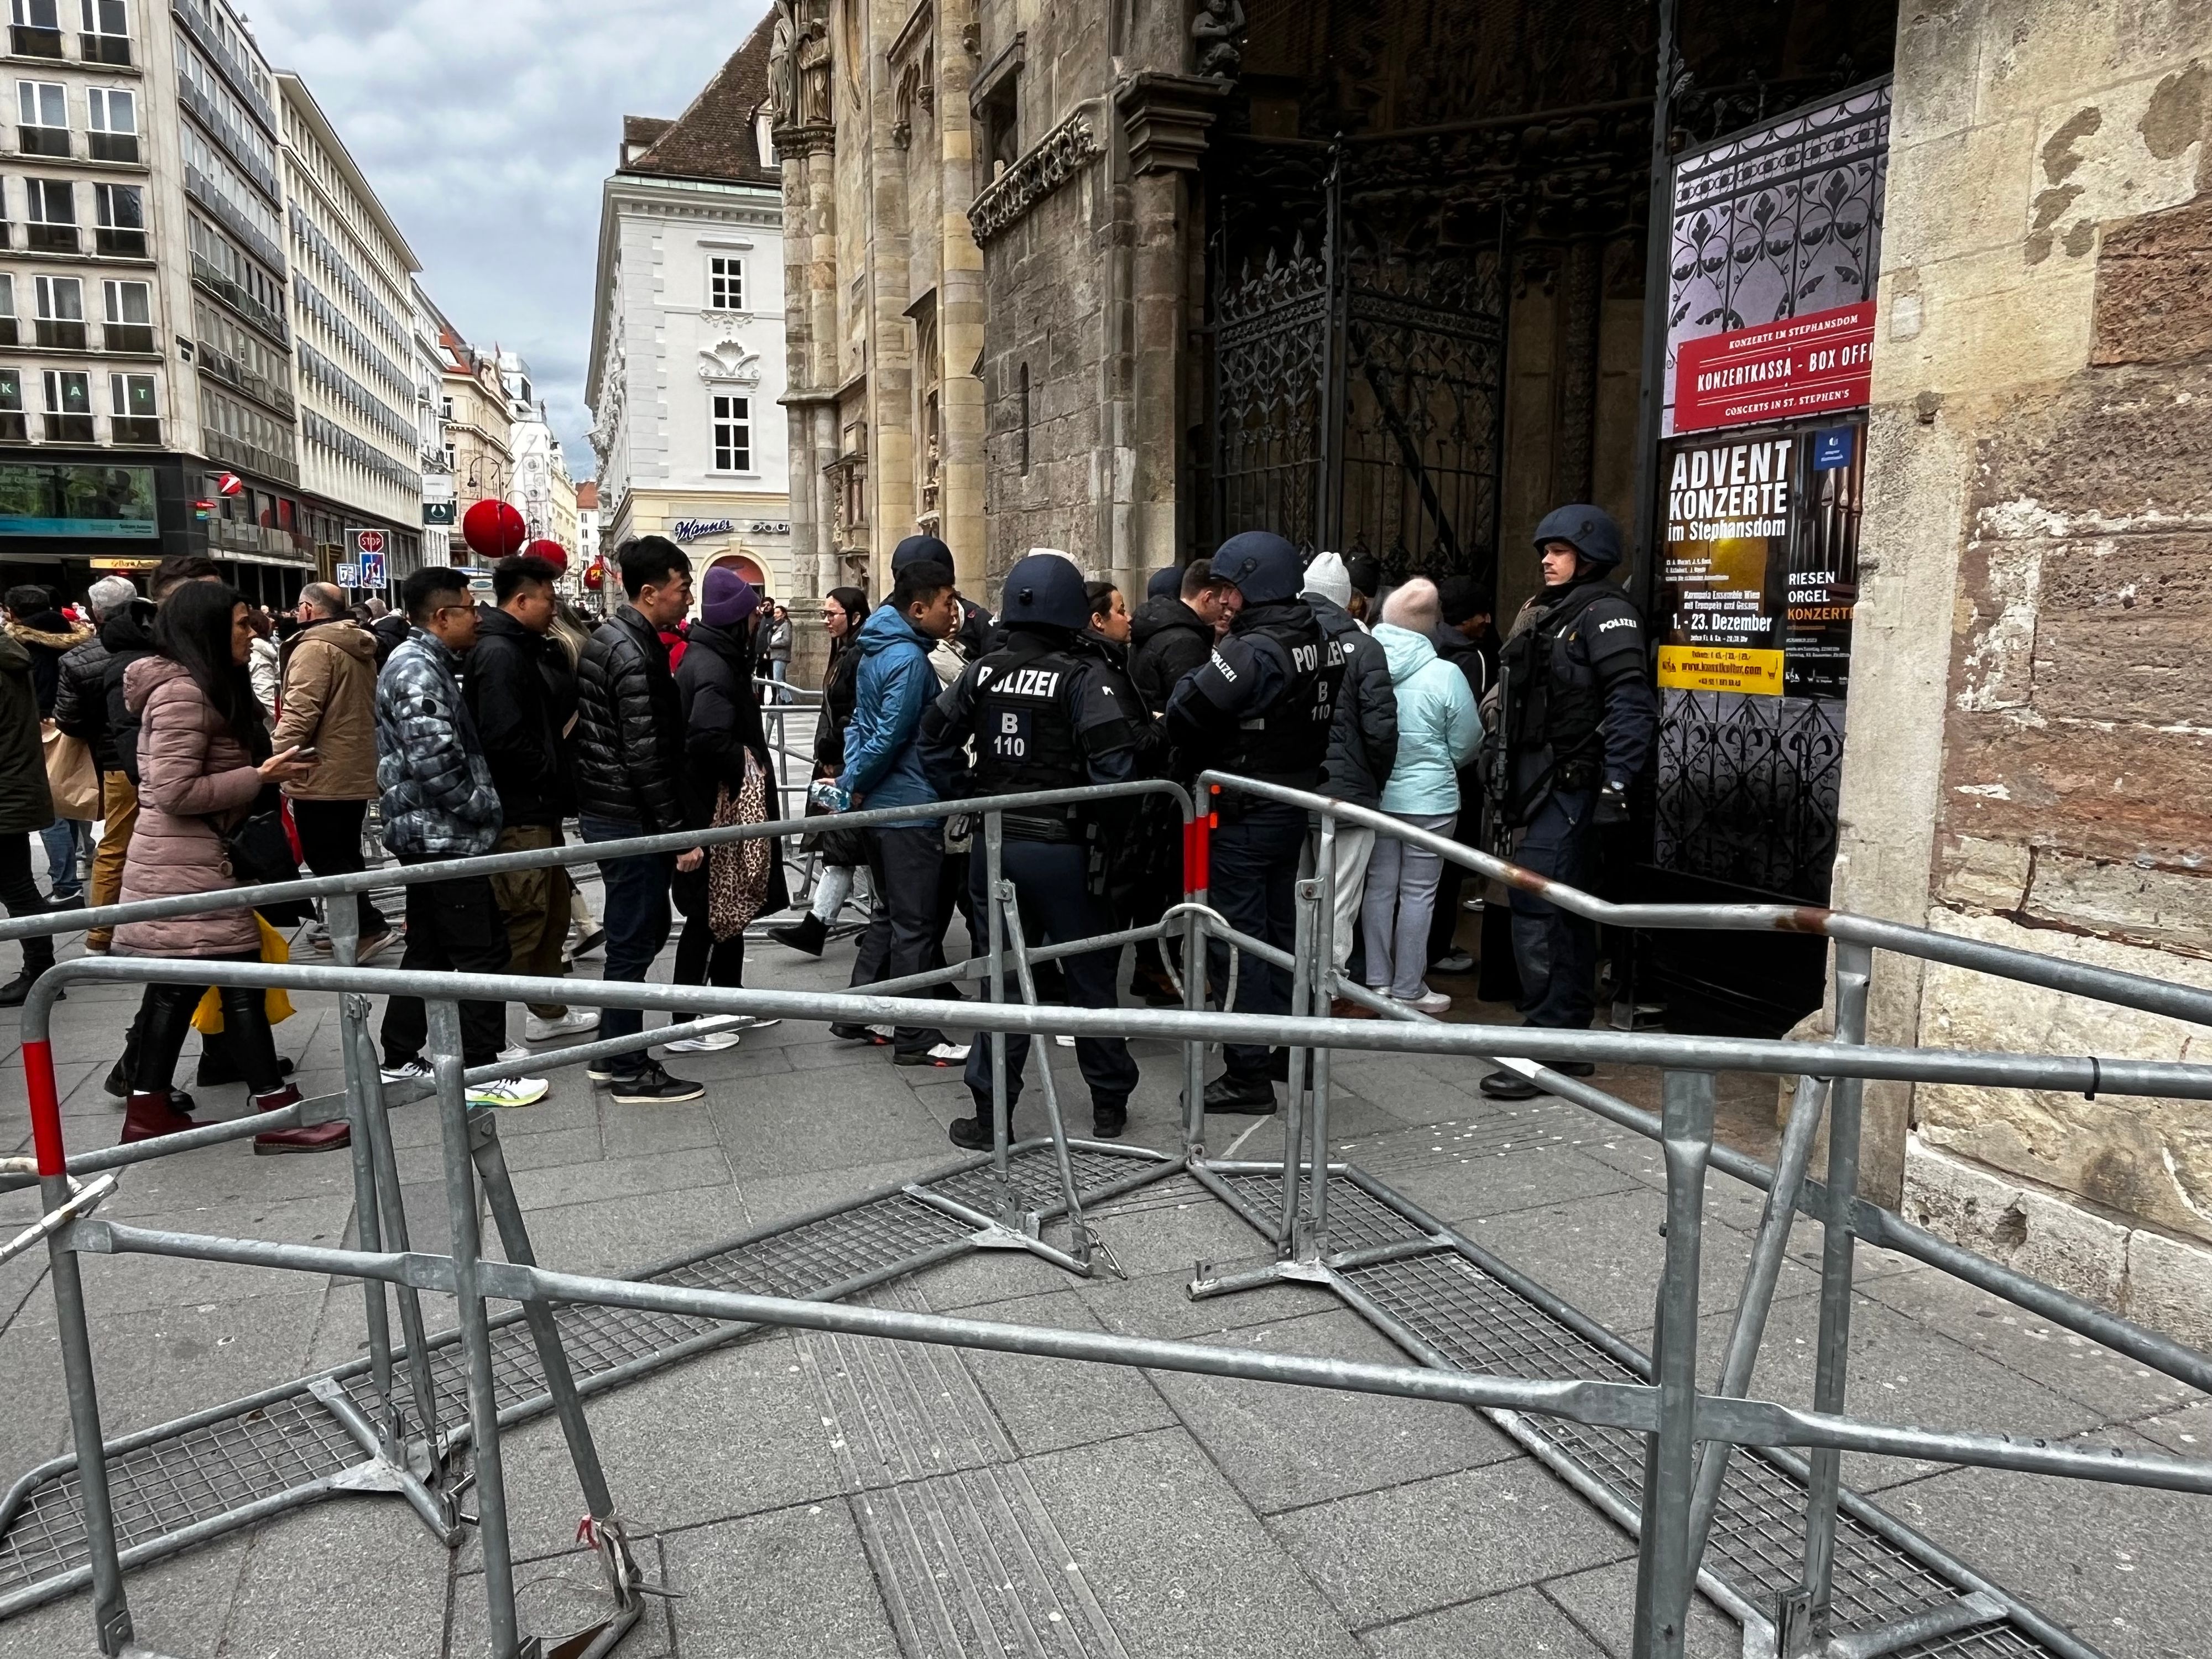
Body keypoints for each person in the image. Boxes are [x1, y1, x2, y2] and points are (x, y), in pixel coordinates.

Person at [922, 552, 1150, 1144]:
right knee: (1089, 978)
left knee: (998, 980)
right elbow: (1117, 771)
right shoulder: (1086, 676)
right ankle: (1107, 1103)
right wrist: (1109, 838)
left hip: (994, 845)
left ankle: (990, 1113)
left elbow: (934, 742)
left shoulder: (982, 673)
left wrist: (968, 796)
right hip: (1065, 850)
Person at [109, 582, 326, 1149]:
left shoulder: (202, 686)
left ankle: (149, 1110)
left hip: (191, 858)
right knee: (238, 983)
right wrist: (261, 777)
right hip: (186, 860)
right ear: (205, 630)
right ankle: (275, 1117)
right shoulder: (183, 693)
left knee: (177, 991)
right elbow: (175, 791)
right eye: (238, 624)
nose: (251, 633)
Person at [1479, 505, 1658, 1102]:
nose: (1546, 560)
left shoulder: (1605, 615)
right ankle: (1567, 1041)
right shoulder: (1555, 614)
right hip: (1542, 785)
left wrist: (1616, 783)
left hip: (1575, 785)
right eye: (1544, 551)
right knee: (1563, 913)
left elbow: (1631, 703)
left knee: (1543, 910)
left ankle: (1546, 1048)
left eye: (1557, 551)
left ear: (1588, 555)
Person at [1163, 531, 1346, 1114]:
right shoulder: (1317, 634)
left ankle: (1247, 1075)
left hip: (1242, 813)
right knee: (1280, 934)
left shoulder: (1255, 649)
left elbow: (1187, 710)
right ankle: (1294, 1051)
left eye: (1230, 590)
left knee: (1234, 939)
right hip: (1289, 802)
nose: (1223, 603)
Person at [373, 567, 548, 1109]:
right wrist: (482, 812)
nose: (479, 617)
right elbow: (437, 763)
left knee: (428, 945)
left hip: (431, 830)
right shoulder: (419, 671)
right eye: (470, 609)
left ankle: (400, 1056)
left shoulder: (424, 663)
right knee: (481, 948)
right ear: (441, 615)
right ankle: (482, 1065)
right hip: (442, 834)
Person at [572, 536, 707, 1105]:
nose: (689, 597)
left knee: (641, 932)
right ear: (650, 591)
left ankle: (613, 1050)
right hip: (629, 816)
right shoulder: (631, 652)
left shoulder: (613, 639)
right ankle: (626, 1066)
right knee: (634, 939)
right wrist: (676, 831)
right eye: (682, 588)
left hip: (615, 809)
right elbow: (645, 752)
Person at [821, 556, 969, 1067]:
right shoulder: (908, 659)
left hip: (884, 806)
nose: (955, 611)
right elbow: (890, 733)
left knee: (889, 915)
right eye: (949, 602)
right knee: (916, 925)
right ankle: (916, 1036)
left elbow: (860, 727)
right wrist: (856, 783)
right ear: (918, 607)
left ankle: (857, 1012)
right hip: (908, 807)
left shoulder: (875, 649)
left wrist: (854, 782)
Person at [466, 555, 597, 1050]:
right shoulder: (501, 653)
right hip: (520, 810)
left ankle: (548, 1011)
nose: (554, 607)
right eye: (548, 598)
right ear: (522, 600)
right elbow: (504, 739)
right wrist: (549, 773)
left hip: (537, 806)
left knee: (549, 916)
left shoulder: (520, 647)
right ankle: (487, 1043)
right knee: (524, 919)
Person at [669, 566, 790, 1048]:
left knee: (728, 906)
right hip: (714, 807)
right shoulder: (715, 667)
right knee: (708, 912)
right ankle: (685, 1021)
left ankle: (728, 997)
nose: (759, 622)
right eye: (753, 614)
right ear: (739, 620)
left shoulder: (713, 656)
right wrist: (749, 764)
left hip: (714, 804)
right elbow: (706, 739)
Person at [1361, 580, 1481, 1014]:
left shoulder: (1365, 663)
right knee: (1419, 893)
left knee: (1378, 888)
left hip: (1378, 796)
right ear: (1432, 623)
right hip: (1431, 801)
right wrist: (1442, 762)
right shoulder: (1445, 673)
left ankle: (1376, 983)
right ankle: (1409, 987)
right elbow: (1468, 741)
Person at [275, 583, 394, 961]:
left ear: (309, 609)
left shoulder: (314, 648)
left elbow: (299, 713)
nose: (295, 615)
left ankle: (367, 926)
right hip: (353, 765)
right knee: (345, 852)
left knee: (326, 855)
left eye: (298, 608)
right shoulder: (356, 643)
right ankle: (353, 927)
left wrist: (273, 758)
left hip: (320, 770)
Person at [1300, 551, 1398, 1004]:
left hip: (1296, 788)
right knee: (1341, 896)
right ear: (1345, 600)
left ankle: (1299, 976)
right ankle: (1331, 987)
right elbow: (1381, 729)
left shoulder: (1292, 641)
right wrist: (1373, 781)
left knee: (1303, 891)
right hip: (1350, 793)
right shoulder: (1364, 647)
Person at [768, 584, 867, 958]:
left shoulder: (857, 655)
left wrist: (832, 752)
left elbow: (852, 714)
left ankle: (821, 927)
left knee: (845, 847)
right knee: (850, 846)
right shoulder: (845, 650)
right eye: (823, 614)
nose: (825, 620)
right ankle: (878, 921)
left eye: (831, 614)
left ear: (855, 616)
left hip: (846, 764)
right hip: (836, 761)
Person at [53, 575, 139, 952]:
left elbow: (68, 719)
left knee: (114, 847)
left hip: (114, 761)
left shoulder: (77, 659)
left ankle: (100, 937)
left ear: (96, 613)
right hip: (166, 755)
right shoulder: (162, 647)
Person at [1427, 573, 1498, 975]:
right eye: (1479, 614)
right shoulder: (1474, 658)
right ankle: (1436, 949)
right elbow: (1474, 727)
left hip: (1411, 778)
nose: (1487, 620)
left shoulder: (1427, 647)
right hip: (1454, 780)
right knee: (1447, 874)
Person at [7, 583, 92, 904]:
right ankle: (78, 867)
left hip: (43, 728)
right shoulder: (79, 639)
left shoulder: (20, 647)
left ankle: (66, 885)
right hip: (76, 727)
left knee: (53, 811)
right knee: (69, 800)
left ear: (14, 613)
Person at [0, 622, 60, 1006]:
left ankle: (41, 972)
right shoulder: (9, 659)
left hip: (6, 792)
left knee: (17, 887)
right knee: (17, 885)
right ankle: (42, 971)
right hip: (13, 788)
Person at [1128, 560, 1233, 714]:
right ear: (1208, 598)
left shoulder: (1160, 623)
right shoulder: (1187, 642)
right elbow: (1191, 707)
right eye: (1223, 605)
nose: (1227, 612)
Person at [245, 608, 280, 719]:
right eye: (267, 619)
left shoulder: (264, 649)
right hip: (270, 725)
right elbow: (266, 697)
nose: (271, 621)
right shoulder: (258, 656)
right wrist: (283, 724)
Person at [764, 602, 794, 703]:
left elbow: (786, 640)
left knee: (778, 680)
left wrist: (772, 645)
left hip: (781, 656)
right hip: (776, 656)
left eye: (778, 613)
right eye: (775, 613)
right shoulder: (777, 626)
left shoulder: (786, 625)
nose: (775, 615)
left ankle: (788, 701)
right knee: (780, 679)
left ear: (783, 614)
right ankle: (784, 701)